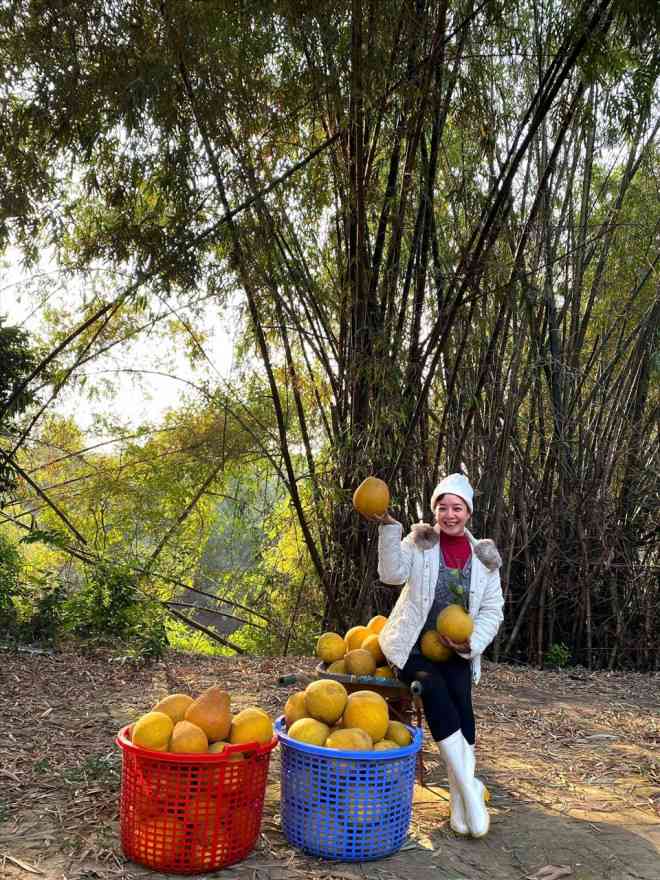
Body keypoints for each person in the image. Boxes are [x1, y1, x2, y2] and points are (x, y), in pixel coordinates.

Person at [362, 473, 504, 838]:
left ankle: (459, 803)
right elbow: (391, 574)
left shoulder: (484, 558)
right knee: (435, 690)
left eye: (457, 508)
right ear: (435, 510)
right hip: (410, 646)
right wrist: (389, 527)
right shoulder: (420, 542)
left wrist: (471, 644)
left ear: (468, 513)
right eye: (443, 507)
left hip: (455, 648)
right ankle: (470, 793)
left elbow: (493, 610)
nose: (449, 515)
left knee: (462, 706)